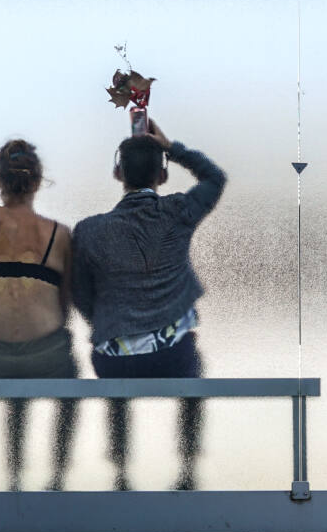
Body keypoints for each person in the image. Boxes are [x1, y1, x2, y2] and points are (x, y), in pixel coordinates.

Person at [72, 117, 226, 491]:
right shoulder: (177, 212)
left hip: (115, 357)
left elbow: (80, 293)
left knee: (113, 375)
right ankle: (188, 471)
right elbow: (215, 180)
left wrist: (107, 322)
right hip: (173, 356)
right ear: (163, 176)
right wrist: (172, 147)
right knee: (193, 367)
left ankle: (121, 474)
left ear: (116, 172)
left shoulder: (89, 231)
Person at [0, 139, 78, 491]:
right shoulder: (60, 234)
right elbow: (65, 305)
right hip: (49, 353)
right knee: (71, 389)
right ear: (38, 182)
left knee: (15, 401)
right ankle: (57, 476)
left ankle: (14, 477)